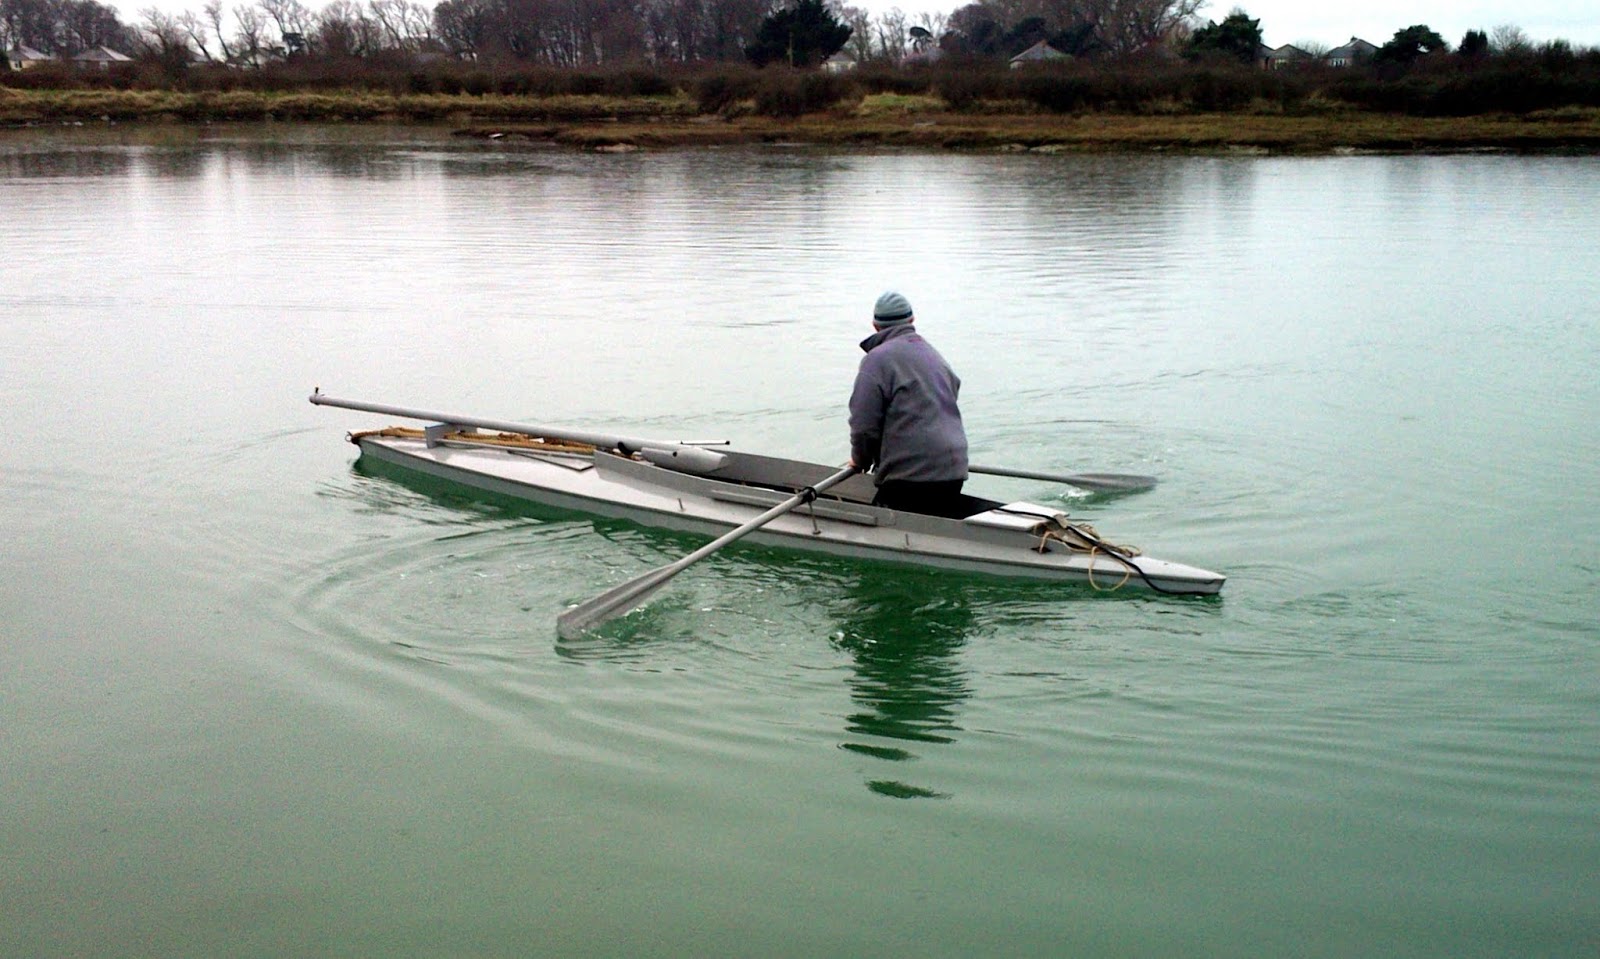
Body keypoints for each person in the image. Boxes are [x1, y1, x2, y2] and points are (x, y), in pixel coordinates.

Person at [848, 291, 973, 518]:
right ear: (912, 321)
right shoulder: (933, 355)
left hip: (910, 480)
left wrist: (860, 460)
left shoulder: (875, 361)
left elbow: (863, 425)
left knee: (881, 517)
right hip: (953, 472)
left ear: (875, 326)